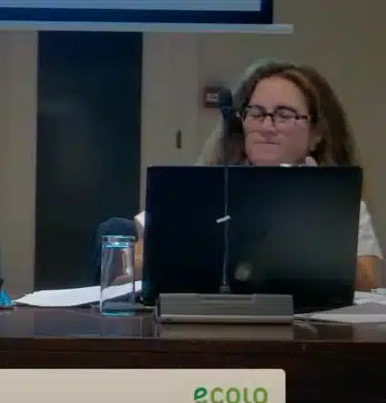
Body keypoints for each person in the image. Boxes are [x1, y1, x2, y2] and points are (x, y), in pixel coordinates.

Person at [130, 59, 381, 292]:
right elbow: (130, 266)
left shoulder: (338, 200)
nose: (266, 127)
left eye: (284, 115)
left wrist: (315, 217)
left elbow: (367, 284)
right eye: (257, 113)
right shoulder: (201, 188)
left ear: (316, 134)